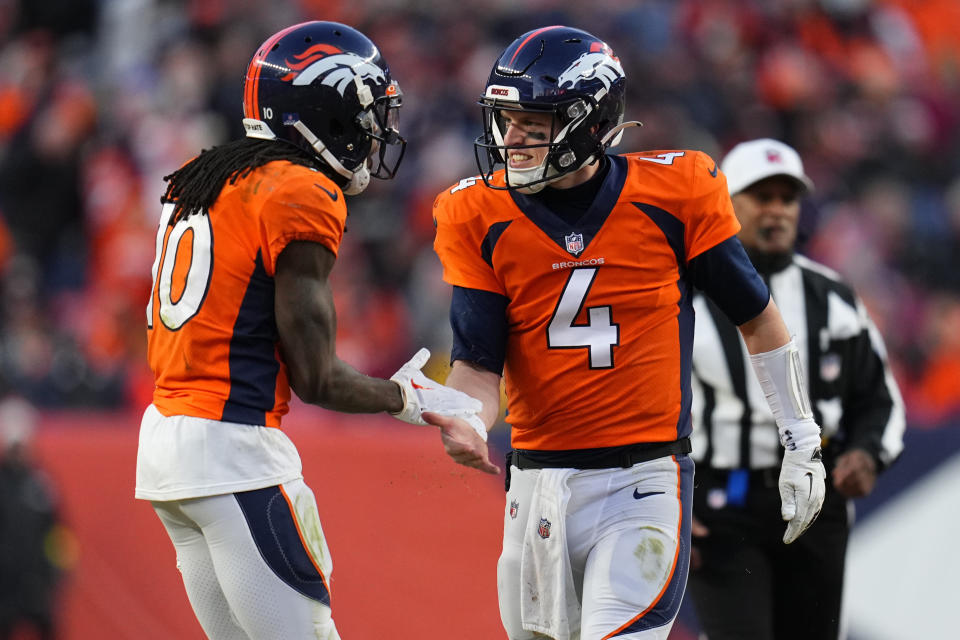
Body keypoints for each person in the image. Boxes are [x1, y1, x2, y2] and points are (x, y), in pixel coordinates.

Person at [426, 26, 827, 640]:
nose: (514, 139)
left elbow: (758, 317)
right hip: (536, 488)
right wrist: (466, 416)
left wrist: (800, 437)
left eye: (535, 123)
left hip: (643, 479)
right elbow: (478, 365)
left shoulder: (675, 192)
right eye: (508, 121)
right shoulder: (478, 213)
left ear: (589, 123)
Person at [135, 21, 494, 640]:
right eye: (366, 112)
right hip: (234, 452)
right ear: (323, 109)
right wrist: (412, 399)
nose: (375, 131)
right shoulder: (298, 190)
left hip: (168, 450)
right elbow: (317, 378)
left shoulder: (205, 172)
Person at [686, 138, 906, 640]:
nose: (778, 211)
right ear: (727, 203)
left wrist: (868, 454)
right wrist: (671, 499)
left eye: (787, 198)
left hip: (817, 502)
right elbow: (651, 413)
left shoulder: (833, 298)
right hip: (724, 505)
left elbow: (880, 400)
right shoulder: (686, 299)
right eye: (762, 196)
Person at [0, 397, 62, 640]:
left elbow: (56, 532)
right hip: (4, 584)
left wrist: (56, 570)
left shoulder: (41, 485)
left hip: (36, 582)